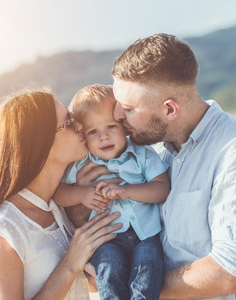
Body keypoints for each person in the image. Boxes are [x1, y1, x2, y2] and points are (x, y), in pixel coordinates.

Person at [70, 33, 236, 299]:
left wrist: (140, 286)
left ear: (170, 110)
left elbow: (230, 273)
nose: (116, 116)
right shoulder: (160, 153)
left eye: (127, 109)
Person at [0, 88, 122, 300]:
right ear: (41, 143)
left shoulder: (56, 208)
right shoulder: (4, 228)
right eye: (68, 122)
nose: (80, 125)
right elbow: (67, 268)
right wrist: (69, 265)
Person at [54, 84, 170, 299]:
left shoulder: (142, 154)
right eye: (92, 131)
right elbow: (58, 193)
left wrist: (127, 191)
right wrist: (81, 193)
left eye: (110, 126)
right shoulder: (82, 164)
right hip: (107, 240)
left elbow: (162, 188)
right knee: (109, 274)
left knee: (148, 274)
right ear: (83, 136)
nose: (103, 137)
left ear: (124, 125)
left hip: (146, 235)